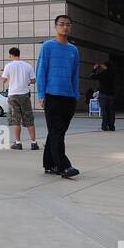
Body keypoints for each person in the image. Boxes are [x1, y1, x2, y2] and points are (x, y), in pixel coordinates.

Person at [35, 15, 81, 178]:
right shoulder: (48, 46)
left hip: (69, 97)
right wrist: (41, 94)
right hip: (52, 95)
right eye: (61, 24)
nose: (65, 27)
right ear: (55, 27)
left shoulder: (73, 50)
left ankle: (49, 164)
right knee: (56, 133)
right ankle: (63, 167)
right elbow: (41, 71)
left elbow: (75, 75)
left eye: (68, 24)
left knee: (56, 132)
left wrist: (76, 94)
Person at [1, 47, 38, 149]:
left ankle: (18, 143)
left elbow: (3, 80)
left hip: (13, 95)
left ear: (11, 55)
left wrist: (5, 75)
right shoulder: (28, 66)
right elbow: (34, 80)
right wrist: (27, 82)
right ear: (19, 54)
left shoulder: (8, 66)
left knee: (15, 120)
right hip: (25, 95)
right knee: (29, 118)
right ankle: (34, 143)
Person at [89, 62, 116, 132]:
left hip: (103, 94)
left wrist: (94, 69)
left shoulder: (102, 73)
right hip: (111, 94)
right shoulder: (113, 73)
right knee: (111, 111)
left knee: (104, 111)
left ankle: (104, 126)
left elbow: (92, 76)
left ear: (105, 66)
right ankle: (112, 126)